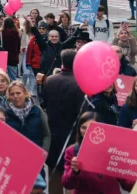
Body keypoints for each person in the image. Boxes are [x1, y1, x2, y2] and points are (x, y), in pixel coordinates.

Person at [41, 49, 84, 192]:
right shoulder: (79, 84)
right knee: (71, 169)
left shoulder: (50, 80)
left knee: (54, 170)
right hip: (72, 133)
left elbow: (44, 103)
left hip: (53, 131)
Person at [62, 112, 135, 193]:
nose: (87, 131)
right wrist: (74, 172)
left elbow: (127, 183)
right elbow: (67, 184)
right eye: (83, 127)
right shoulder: (72, 151)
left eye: (91, 127)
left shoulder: (112, 150)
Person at [3, 81, 50, 152]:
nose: (15, 96)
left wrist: (43, 152)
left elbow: (46, 135)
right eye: (12, 94)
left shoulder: (37, 110)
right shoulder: (5, 113)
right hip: (14, 155)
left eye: (18, 93)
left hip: (35, 153)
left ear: (25, 94)